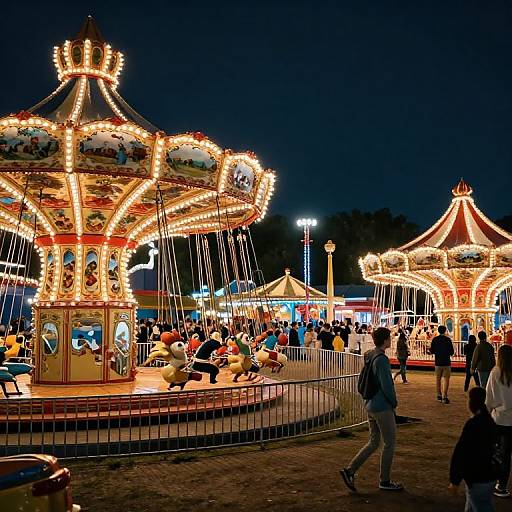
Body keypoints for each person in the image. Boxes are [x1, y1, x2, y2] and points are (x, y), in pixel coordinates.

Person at [340, 327, 403, 492]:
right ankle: (385, 480)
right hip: (382, 406)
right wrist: (394, 402)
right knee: (389, 443)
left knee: (374, 441)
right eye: (389, 338)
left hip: (370, 404)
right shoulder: (382, 360)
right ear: (384, 340)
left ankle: (350, 470)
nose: (391, 340)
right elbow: (386, 385)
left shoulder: (369, 355)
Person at [449, 386, 497, 510]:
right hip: (489, 475)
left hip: (477, 478)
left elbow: (461, 452)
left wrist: (455, 480)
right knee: (473, 506)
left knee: (481, 506)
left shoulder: (473, 425)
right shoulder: (489, 421)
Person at [486, 344, 512, 498]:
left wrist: (486, 414)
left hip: (501, 419)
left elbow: (489, 397)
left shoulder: (496, 372)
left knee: (501, 454)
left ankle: (501, 485)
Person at [430, 325, 454, 404]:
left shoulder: (435, 339)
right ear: (445, 331)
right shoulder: (448, 340)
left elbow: (432, 350)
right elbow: (451, 351)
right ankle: (445, 396)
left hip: (438, 362)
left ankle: (439, 395)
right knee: (446, 379)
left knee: (438, 379)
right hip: (446, 362)